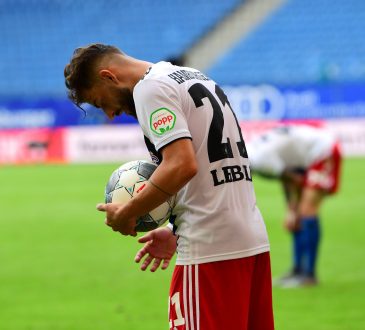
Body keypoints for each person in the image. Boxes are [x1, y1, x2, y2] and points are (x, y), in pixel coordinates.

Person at [64, 43, 274, 329]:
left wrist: (129, 211)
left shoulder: (149, 89)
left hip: (209, 251)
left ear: (108, 77)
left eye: (101, 103)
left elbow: (181, 165)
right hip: (251, 244)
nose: (110, 114)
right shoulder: (193, 76)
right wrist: (176, 231)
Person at [248, 125, 342, 287]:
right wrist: (292, 210)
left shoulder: (260, 161)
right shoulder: (252, 150)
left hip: (323, 152)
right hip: (306, 157)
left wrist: (292, 211)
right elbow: (288, 176)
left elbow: (292, 179)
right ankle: (298, 270)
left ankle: (308, 274)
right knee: (299, 214)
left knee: (307, 212)